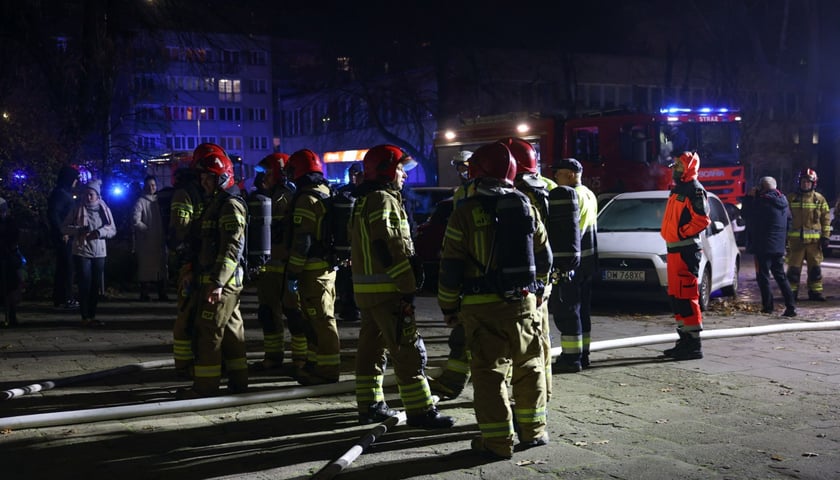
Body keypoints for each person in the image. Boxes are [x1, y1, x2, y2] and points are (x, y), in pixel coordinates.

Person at [438, 141, 550, 459]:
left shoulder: (463, 213)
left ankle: (498, 442)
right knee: (530, 366)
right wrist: (539, 290)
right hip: (523, 303)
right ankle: (534, 431)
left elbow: (451, 266)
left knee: (489, 373)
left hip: (481, 307)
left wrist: (448, 307)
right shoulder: (525, 206)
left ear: (476, 173)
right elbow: (545, 255)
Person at [351, 144, 455, 429]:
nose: (405, 175)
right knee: (407, 349)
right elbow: (390, 244)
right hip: (388, 291)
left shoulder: (364, 199)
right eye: (400, 169)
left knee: (371, 350)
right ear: (386, 171)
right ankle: (421, 410)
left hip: (368, 293)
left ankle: (370, 405)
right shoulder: (383, 200)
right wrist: (407, 285)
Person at [177, 143, 249, 398]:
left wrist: (217, 282)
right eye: (202, 177)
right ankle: (239, 382)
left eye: (208, 177)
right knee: (230, 332)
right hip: (221, 281)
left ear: (222, 178)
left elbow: (232, 248)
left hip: (223, 283)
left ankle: (205, 387)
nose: (203, 182)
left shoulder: (229, 205)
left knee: (208, 330)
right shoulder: (216, 203)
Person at [284, 149, 341, 386]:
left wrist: (293, 273)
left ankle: (328, 370)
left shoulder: (306, 199)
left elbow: (302, 242)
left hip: (312, 270)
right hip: (325, 269)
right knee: (315, 319)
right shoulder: (325, 192)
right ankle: (314, 364)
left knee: (321, 320)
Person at [250, 152, 304, 372]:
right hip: (269, 267)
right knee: (267, 313)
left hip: (287, 265)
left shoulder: (286, 197)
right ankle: (273, 356)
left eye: (268, 173)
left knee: (294, 313)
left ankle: (301, 358)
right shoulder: (267, 196)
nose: (264, 178)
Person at [426, 150, 474, 400]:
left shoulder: (472, 195)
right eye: (459, 167)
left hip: (475, 277)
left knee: (464, 335)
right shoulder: (463, 193)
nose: (461, 171)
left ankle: (453, 382)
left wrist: (448, 305)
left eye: (465, 166)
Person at [660, 151, 711, 360]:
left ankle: (693, 344)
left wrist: (681, 233)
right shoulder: (678, 189)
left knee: (687, 297)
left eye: (679, 165)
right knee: (677, 297)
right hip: (675, 250)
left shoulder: (695, 190)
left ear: (689, 167)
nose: (675, 168)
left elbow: (702, 220)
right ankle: (684, 341)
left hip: (686, 250)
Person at [551, 157, 598, 372]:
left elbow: (567, 230)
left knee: (568, 310)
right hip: (588, 260)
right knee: (583, 310)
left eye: (559, 173)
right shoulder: (588, 193)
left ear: (570, 174)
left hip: (573, 263)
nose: (555, 177)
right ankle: (583, 354)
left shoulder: (571, 196)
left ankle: (571, 358)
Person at [168, 154, 207, 379]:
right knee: (201, 316)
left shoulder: (185, 193)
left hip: (193, 263)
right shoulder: (206, 192)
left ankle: (186, 364)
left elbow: (179, 230)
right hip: (203, 262)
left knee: (188, 314)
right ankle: (199, 361)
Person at [62, 179, 117, 327]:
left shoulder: (104, 209)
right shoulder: (77, 209)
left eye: (91, 194)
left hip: (99, 252)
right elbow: (64, 227)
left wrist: (99, 233)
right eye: (86, 194)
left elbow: (112, 229)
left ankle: (92, 315)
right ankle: (84, 316)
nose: (88, 197)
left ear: (98, 195)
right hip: (82, 250)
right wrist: (78, 230)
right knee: (84, 283)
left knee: (95, 285)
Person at [741, 176, 796, 317]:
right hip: (778, 247)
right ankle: (791, 307)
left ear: (762, 188)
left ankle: (768, 307)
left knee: (763, 277)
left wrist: (749, 197)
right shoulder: (783, 201)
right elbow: (789, 222)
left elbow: (745, 214)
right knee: (781, 277)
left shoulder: (761, 202)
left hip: (763, 247)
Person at [786, 168, 831, 301]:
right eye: (803, 182)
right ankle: (791, 294)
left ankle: (815, 293)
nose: (805, 184)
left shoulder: (819, 199)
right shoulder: (791, 199)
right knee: (793, 270)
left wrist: (826, 236)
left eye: (808, 182)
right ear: (799, 183)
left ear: (813, 183)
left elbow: (826, 219)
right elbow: (783, 219)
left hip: (814, 244)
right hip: (796, 243)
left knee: (815, 270)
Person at [47, 165, 80, 309]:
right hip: (64, 236)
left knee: (63, 266)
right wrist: (63, 232)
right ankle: (66, 297)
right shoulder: (61, 194)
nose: (76, 182)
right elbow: (54, 214)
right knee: (67, 266)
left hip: (64, 234)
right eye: (75, 179)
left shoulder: (61, 193)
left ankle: (60, 297)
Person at [131, 175, 168, 302]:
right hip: (147, 242)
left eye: (153, 185)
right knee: (146, 269)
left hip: (159, 240)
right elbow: (135, 220)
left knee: (161, 268)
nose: (151, 188)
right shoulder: (140, 201)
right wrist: (147, 230)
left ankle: (162, 294)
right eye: (149, 185)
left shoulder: (159, 201)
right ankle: (144, 294)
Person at [334, 161, 363, 322]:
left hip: (357, 244)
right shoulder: (342, 193)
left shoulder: (364, 193)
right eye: (351, 173)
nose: (353, 177)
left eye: (356, 174)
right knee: (345, 279)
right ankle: (349, 307)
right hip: (344, 245)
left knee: (353, 279)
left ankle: (355, 308)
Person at [0, 197, 24, 327]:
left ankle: (12, 315)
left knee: (12, 287)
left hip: (10, 258)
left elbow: (14, 238)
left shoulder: (10, 222)